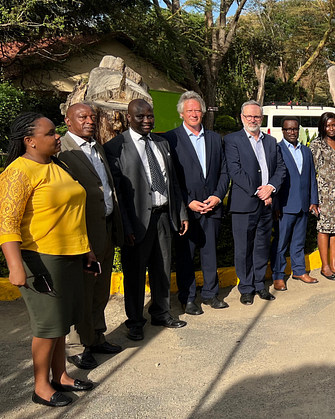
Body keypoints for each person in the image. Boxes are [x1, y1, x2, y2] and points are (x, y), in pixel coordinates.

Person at [0, 113, 96, 406]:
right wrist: (15, 266)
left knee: (62, 323)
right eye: (51, 133)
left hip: (69, 254)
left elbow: (72, 214)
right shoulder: (18, 172)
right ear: (29, 141)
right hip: (40, 257)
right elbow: (7, 223)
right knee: (47, 327)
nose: (58, 137)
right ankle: (41, 387)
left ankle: (61, 376)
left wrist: (87, 249)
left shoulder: (57, 165)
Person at [104, 99, 190, 341]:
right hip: (137, 222)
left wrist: (181, 213)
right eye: (140, 116)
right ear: (129, 118)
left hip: (163, 216)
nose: (146, 120)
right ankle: (135, 321)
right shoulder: (116, 147)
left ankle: (161, 312)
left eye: (150, 116)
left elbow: (173, 182)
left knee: (162, 268)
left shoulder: (162, 143)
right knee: (134, 274)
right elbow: (118, 193)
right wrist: (126, 227)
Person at [58, 103, 124, 370]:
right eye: (82, 117)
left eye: (92, 117)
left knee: (100, 290)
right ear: (67, 121)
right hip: (83, 234)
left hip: (105, 228)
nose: (89, 121)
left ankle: (96, 336)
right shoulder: (62, 151)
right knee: (82, 293)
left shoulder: (96, 146)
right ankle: (75, 345)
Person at [162, 91, 230, 315]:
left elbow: (224, 171)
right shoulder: (170, 139)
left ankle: (211, 294)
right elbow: (170, 178)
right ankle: (188, 298)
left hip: (212, 207)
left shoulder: (214, 138)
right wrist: (187, 202)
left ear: (203, 112)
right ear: (182, 113)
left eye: (197, 110)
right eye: (189, 110)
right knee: (186, 256)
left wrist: (218, 196)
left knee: (210, 253)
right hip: (187, 210)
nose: (194, 114)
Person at [224, 100, 287, 305]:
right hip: (244, 204)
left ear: (261, 118)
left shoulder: (270, 141)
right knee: (243, 248)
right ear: (242, 118)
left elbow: (280, 169)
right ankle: (246, 288)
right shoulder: (232, 140)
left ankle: (260, 284)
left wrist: (271, 188)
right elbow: (235, 171)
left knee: (261, 246)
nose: (253, 120)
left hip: (267, 204)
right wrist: (259, 191)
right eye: (249, 116)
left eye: (257, 116)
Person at [270, 116, 319, 290]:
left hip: (303, 205)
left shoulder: (306, 151)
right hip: (284, 206)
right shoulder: (277, 150)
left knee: (299, 241)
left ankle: (299, 271)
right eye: (288, 129)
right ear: (282, 131)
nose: (292, 132)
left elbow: (312, 177)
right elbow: (273, 180)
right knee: (281, 242)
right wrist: (275, 205)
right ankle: (278, 275)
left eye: (295, 129)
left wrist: (313, 201)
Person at [310, 112, 335, 281]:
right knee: (324, 229)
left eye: (333, 125)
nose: (331, 128)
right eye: (327, 125)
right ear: (322, 126)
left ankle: (334, 265)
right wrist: (312, 199)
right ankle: (324, 266)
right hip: (324, 194)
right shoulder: (317, 145)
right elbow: (311, 172)